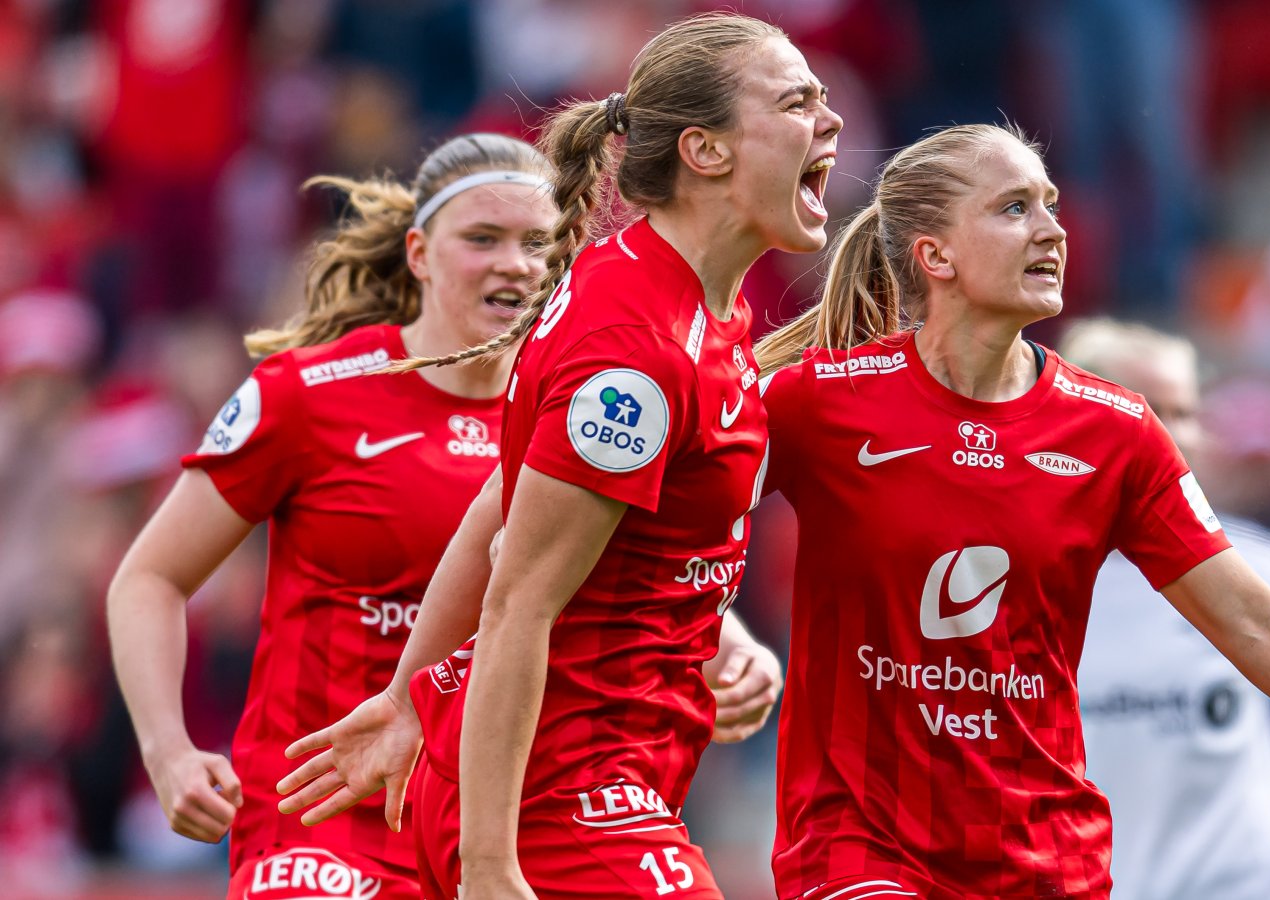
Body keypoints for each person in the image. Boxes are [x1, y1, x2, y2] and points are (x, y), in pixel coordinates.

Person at [752, 123, 1270, 899]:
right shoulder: (823, 401)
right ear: (936, 255)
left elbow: (1249, 619)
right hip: (863, 851)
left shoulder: (1113, 431)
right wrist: (714, 632)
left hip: (1041, 861)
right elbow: (670, 509)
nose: (1053, 230)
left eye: (1052, 205)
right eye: (1015, 209)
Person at [107, 131, 782, 899]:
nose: (515, 264)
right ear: (421, 253)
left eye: (538, 243)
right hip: (323, 821)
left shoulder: (591, 414)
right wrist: (169, 754)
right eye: (483, 239)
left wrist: (726, 644)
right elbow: (150, 577)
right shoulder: (308, 395)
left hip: (492, 818)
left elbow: (618, 573)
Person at [275, 13, 841, 899]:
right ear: (706, 151)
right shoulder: (634, 350)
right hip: (558, 797)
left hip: (595, 777)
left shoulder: (690, 304)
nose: (830, 120)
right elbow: (519, 605)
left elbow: (499, 504)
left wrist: (405, 695)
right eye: (797, 101)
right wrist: (491, 868)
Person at [1062, 319, 1270, 900]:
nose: (1174, 434)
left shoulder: (1263, 567)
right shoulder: (1032, 575)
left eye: (1186, 413)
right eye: (1150, 410)